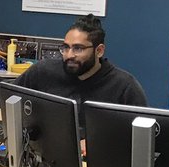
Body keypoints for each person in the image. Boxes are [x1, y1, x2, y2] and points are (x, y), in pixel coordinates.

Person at [13, 14, 146, 130]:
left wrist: (95, 142)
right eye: (66, 48)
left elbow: (141, 136)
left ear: (99, 51)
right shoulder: (43, 71)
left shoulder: (124, 87)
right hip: (45, 149)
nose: (69, 55)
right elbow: (8, 96)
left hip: (99, 151)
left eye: (78, 49)